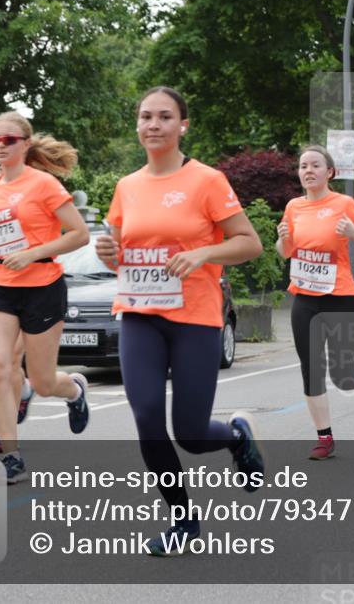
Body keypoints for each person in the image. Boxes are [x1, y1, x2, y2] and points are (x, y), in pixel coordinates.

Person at [94, 86, 265, 555]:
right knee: (147, 416)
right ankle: (183, 520)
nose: (153, 125)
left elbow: (250, 243)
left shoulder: (206, 180)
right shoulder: (127, 186)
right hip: (139, 314)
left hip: (194, 316)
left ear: (183, 125)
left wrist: (204, 253)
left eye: (164, 117)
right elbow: (119, 255)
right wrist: (108, 252)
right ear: (137, 125)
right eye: (145, 116)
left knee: (189, 433)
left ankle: (234, 437)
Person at [0, 111, 91, 484]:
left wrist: (32, 254)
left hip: (42, 286)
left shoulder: (44, 185)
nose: (0, 146)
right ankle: (11, 455)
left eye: (8, 140)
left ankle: (74, 389)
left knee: (43, 380)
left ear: (25, 144)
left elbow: (79, 234)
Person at [276, 145, 354, 461]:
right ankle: (324, 438)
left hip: (340, 299)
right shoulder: (293, 207)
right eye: (302, 166)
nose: (308, 170)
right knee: (311, 368)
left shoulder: (344, 204)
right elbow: (284, 251)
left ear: (329, 172)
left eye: (314, 165)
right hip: (305, 300)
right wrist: (283, 237)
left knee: (342, 375)